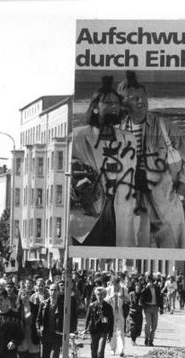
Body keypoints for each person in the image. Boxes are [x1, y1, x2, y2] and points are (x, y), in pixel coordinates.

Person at [117, 70, 185, 248]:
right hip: (133, 202)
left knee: (174, 250)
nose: (141, 101)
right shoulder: (119, 131)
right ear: (123, 104)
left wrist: (181, 191)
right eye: (134, 98)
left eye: (143, 97)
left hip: (166, 200)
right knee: (137, 252)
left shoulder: (164, 126)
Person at [70, 75, 138, 247]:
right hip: (90, 212)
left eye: (116, 103)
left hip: (120, 208)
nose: (114, 106)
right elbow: (69, 172)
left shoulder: (129, 139)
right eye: (107, 103)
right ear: (94, 108)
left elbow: (133, 176)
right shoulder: (78, 136)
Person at [37, 283, 76, 358]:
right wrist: (39, 328)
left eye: (55, 290)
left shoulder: (63, 305)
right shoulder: (43, 304)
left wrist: (69, 332)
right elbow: (38, 320)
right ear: (48, 291)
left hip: (57, 336)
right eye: (51, 290)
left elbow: (70, 320)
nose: (53, 292)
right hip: (45, 336)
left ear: (59, 292)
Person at [83, 286, 114, 358]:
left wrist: (110, 333)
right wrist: (85, 329)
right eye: (98, 294)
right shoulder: (92, 305)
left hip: (103, 331)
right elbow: (87, 318)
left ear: (104, 295)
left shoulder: (108, 307)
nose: (99, 296)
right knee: (94, 350)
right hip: (94, 330)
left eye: (101, 295)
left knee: (100, 350)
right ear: (95, 295)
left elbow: (111, 320)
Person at [16, 287, 40, 358]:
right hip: (22, 335)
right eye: (23, 294)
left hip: (33, 334)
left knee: (32, 357)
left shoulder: (35, 307)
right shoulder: (18, 309)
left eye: (27, 294)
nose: (25, 296)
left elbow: (39, 319)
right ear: (20, 296)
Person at [105, 276, 129, 357]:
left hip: (120, 312)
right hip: (110, 313)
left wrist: (121, 297)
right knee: (111, 331)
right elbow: (104, 300)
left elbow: (128, 299)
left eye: (117, 284)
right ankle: (112, 349)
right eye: (114, 284)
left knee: (120, 331)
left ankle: (121, 349)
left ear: (119, 283)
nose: (115, 286)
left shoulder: (123, 289)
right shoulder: (108, 289)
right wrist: (111, 297)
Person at [141, 276, 164, 346]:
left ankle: (151, 340)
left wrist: (161, 307)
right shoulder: (145, 289)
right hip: (148, 307)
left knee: (154, 325)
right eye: (149, 281)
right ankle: (146, 338)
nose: (150, 283)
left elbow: (160, 298)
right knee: (147, 324)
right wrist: (146, 287)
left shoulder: (157, 288)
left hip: (155, 307)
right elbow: (142, 296)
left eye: (151, 281)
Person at [128, 281, 144, 345]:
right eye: (137, 287)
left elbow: (143, 303)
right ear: (135, 287)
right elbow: (129, 303)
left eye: (139, 287)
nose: (138, 288)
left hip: (139, 313)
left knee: (138, 328)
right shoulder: (131, 294)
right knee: (133, 326)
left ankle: (134, 338)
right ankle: (133, 340)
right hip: (132, 313)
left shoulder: (142, 294)